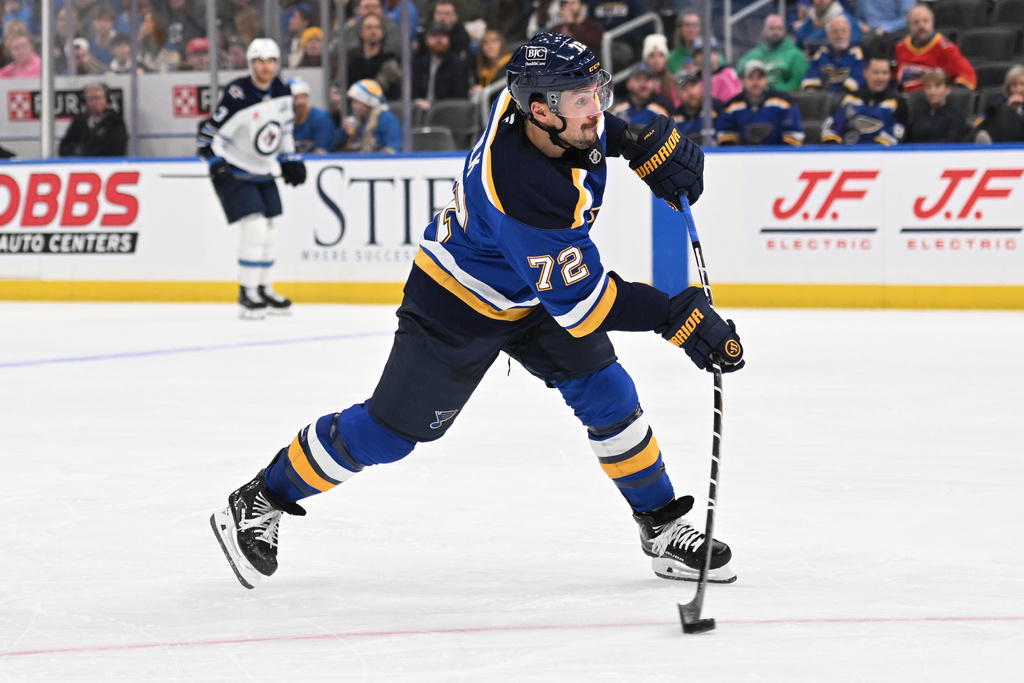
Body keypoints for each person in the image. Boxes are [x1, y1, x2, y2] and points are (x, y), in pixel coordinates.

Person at [210, 31, 744, 593]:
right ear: (539, 110)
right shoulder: (523, 189)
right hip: (456, 304)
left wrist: (635, 141)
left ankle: (660, 526)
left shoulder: (531, 113)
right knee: (392, 434)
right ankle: (260, 496)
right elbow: (587, 306)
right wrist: (674, 316)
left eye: (596, 92)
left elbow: (590, 138)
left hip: (533, 290)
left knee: (607, 390)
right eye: (581, 99)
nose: (597, 111)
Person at [196, 38, 307, 319]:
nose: (265, 66)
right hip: (234, 169)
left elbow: (285, 131)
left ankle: (264, 288)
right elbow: (208, 136)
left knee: (269, 231)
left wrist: (291, 158)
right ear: (250, 63)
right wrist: (215, 163)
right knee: (254, 228)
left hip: (263, 169)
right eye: (260, 61)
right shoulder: (237, 93)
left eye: (270, 61)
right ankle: (247, 292)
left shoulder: (282, 89)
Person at [821, 56, 906, 145]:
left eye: (884, 73)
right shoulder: (849, 98)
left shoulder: (898, 102)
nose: (880, 77)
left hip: (880, 154)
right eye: (875, 72)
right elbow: (832, 128)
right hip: (848, 153)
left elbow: (898, 131)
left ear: (890, 75)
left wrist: (875, 151)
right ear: (865, 73)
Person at [718, 60, 804, 146]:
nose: (755, 82)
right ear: (743, 80)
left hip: (778, 156)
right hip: (744, 156)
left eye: (760, 77)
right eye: (751, 78)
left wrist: (780, 156)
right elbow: (725, 137)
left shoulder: (784, 103)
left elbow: (794, 136)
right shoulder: (732, 106)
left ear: (766, 79)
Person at [894, 4, 976, 93]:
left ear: (932, 23)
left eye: (925, 21)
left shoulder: (945, 48)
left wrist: (951, 95)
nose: (922, 26)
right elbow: (895, 78)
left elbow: (968, 74)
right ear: (909, 26)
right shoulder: (900, 47)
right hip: (907, 100)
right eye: (916, 22)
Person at [737, 14, 808, 93]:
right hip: (754, 98)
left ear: (784, 31)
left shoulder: (796, 55)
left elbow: (795, 86)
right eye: (771, 28)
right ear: (763, 31)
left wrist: (772, 89)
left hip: (783, 99)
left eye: (779, 29)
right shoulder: (751, 55)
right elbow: (738, 77)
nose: (776, 32)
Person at [411, 23, 470, 114]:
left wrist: (434, 106)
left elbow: (460, 98)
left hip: (447, 115)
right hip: (420, 113)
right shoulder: (419, 63)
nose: (439, 40)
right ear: (426, 39)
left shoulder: (458, 64)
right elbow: (412, 92)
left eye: (443, 36)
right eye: (434, 36)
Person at [58, 82, 128, 157]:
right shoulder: (79, 121)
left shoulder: (115, 121)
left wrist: (88, 150)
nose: (94, 102)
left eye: (97, 98)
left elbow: (117, 149)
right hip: (80, 165)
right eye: (90, 99)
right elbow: (64, 147)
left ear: (105, 100)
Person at [800, 15, 865, 94]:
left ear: (849, 34)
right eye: (835, 32)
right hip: (823, 99)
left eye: (843, 31)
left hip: (848, 98)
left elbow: (858, 80)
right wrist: (811, 92)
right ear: (828, 36)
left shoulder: (858, 54)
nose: (840, 36)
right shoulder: (822, 53)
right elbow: (811, 77)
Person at [335, 78, 402, 153]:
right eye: (352, 101)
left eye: (356, 102)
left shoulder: (388, 120)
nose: (352, 106)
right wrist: (344, 133)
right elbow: (334, 148)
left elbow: (394, 150)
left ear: (370, 102)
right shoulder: (355, 118)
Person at [904, 70, 970, 143]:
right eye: (928, 87)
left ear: (947, 89)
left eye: (937, 86)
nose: (932, 91)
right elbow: (908, 141)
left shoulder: (956, 117)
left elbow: (952, 144)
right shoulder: (918, 116)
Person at [347, 13, 401, 101]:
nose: (373, 31)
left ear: (383, 33)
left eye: (377, 27)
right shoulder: (351, 58)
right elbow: (339, 83)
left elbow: (375, 89)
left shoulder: (390, 59)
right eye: (369, 27)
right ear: (361, 33)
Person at [609, 63, 673, 127]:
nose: (643, 84)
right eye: (638, 79)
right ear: (628, 83)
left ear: (655, 82)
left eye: (647, 79)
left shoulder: (666, 107)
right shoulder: (619, 110)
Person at [973, 64, 1024, 143]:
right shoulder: (1000, 104)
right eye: (1013, 85)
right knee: (997, 112)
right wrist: (1009, 107)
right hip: (1001, 138)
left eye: (1022, 84)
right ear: (1009, 88)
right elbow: (980, 122)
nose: (1018, 89)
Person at [672, 69, 723, 143]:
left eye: (693, 85)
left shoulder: (716, 107)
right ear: (677, 94)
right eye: (684, 89)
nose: (691, 93)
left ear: (700, 86)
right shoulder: (674, 121)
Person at [794, 0, 862, 54]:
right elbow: (798, 48)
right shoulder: (807, 25)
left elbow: (856, 51)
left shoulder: (846, 22)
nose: (822, 0)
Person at [690, 37, 742, 104]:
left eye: (709, 51)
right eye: (700, 53)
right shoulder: (695, 79)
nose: (705, 56)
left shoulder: (728, 74)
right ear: (695, 58)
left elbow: (734, 102)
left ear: (717, 54)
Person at [290, 78, 336, 154]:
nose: (300, 102)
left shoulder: (321, 119)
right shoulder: (284, 120)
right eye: (295, 98)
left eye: (303, 96)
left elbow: (321, 152)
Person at [642, 34, 677, 109]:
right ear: (646, 59)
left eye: (661, 55)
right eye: (652, 56)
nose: (657, 60)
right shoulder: (641, 84)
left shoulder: (673, 81)